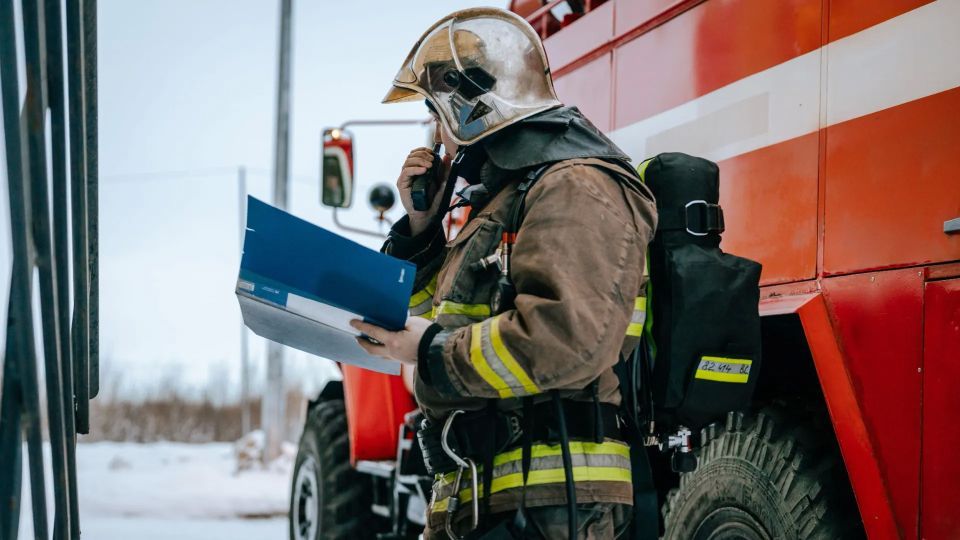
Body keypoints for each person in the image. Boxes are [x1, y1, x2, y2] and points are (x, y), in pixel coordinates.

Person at [349, 7, 657, 539]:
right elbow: (430, 315)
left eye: (435, 111)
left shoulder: (575, 186)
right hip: (489, 495)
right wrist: (421, 228)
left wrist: (430, 350)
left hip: (551, 503)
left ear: (469, 107)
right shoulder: (502, 202)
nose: (435, 133)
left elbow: (568, 341)